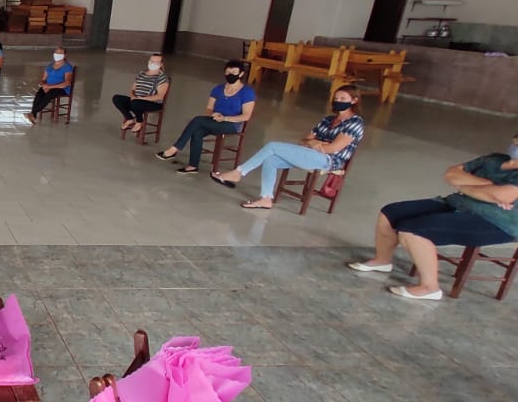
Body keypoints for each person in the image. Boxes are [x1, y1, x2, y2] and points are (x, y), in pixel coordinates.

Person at [349, 137, 518, 301]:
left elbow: (503, 195)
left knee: (412, 231)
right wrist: (486, 188)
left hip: (496, 222)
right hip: (456, 204)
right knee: (391, 212)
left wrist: (464, 187)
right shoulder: (494, 159)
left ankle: (430, 288)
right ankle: (382, 261)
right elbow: (451, 174)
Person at [211, 85, 365, 209]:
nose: (338, 100)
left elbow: (333, 149)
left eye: (343, 98)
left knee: (272, 145)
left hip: (328, 160)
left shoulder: (355, 123)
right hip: (310, 153)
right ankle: (266, 199)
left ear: (354, 101)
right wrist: (316, 143)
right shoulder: (328, 119)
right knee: (271, 159)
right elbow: (305, 139)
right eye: (336, 98)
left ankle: (239, 172)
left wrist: (319, 143)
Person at [156, 60, 256, 175]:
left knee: (197, 120)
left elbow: (246, 116)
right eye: (228, 72)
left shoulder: (247, 92)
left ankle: (175, 149)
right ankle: (192, 166)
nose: (230, 75)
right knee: (197, 131)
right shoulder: (218, 89)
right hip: (214, 121)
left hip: (231, 125)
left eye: (234, 72)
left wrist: (225, 118)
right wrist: (212, 115)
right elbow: (209, 108)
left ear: (241, 74)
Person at [112, 53, 169, 133]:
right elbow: (133, 89)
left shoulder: (162, 78)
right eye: (151, 61)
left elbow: (160, 96)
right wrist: (132, 96)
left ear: (161, 64)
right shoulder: (141, 73)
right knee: (117, 98)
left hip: (153, 103)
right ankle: (129, 119)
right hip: (137, 100)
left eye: (156, 62)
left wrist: (140, 98)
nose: (153, 63)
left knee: (136, 103)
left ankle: (139, 121)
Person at [22, 47, 75, 124]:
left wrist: (49, 87)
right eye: (56, 53)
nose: (57, 55)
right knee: (39, 94)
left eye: (60, 53)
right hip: (48, 86)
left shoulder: (67, 67)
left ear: (65, 55)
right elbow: (43, 79)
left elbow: (67, 83)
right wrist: (44, 85)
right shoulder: (50, 65)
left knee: (49, 95)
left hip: (60, 88)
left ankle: (32, 113)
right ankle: (33, 115)